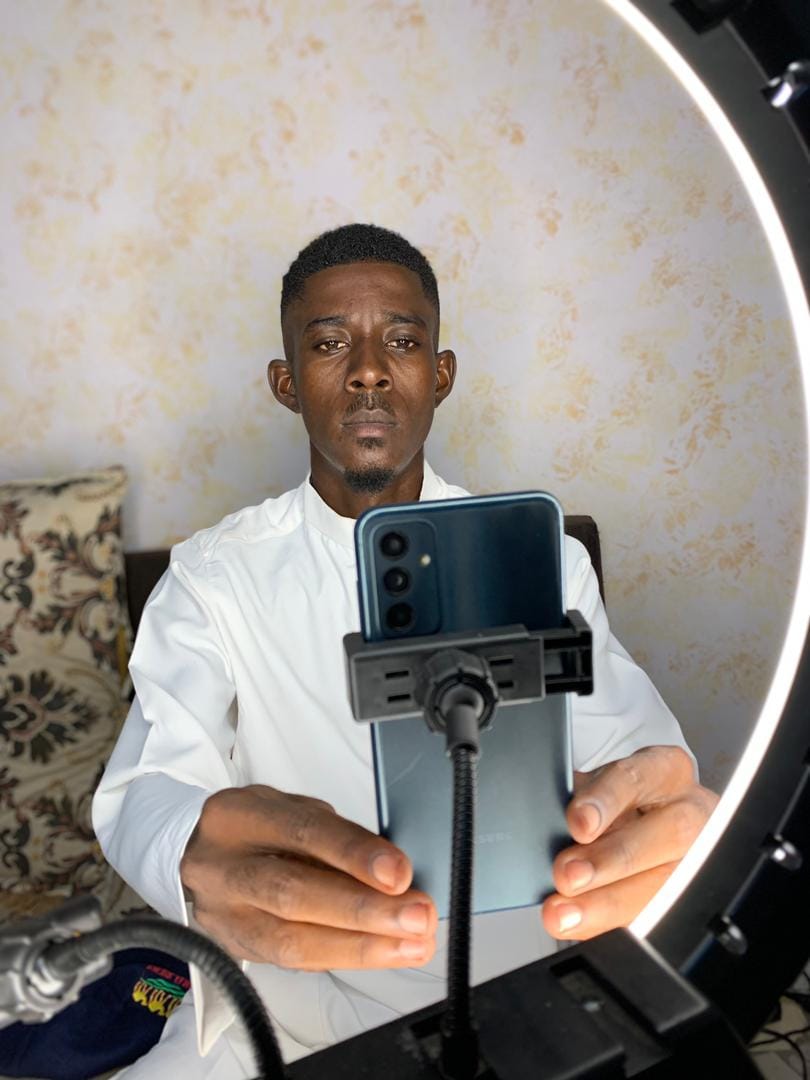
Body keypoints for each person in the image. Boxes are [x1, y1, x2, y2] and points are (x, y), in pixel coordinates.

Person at [93, 224, 717, 1076]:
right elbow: (149, 787)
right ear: (286, 384)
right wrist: (190, 848)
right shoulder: (212, 579)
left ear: (441, 374)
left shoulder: (542, 562)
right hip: (287, 999)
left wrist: (649, 814)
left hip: (519, 981)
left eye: (402, 340)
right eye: (328, 343)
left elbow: (638, 760)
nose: (368, 369)